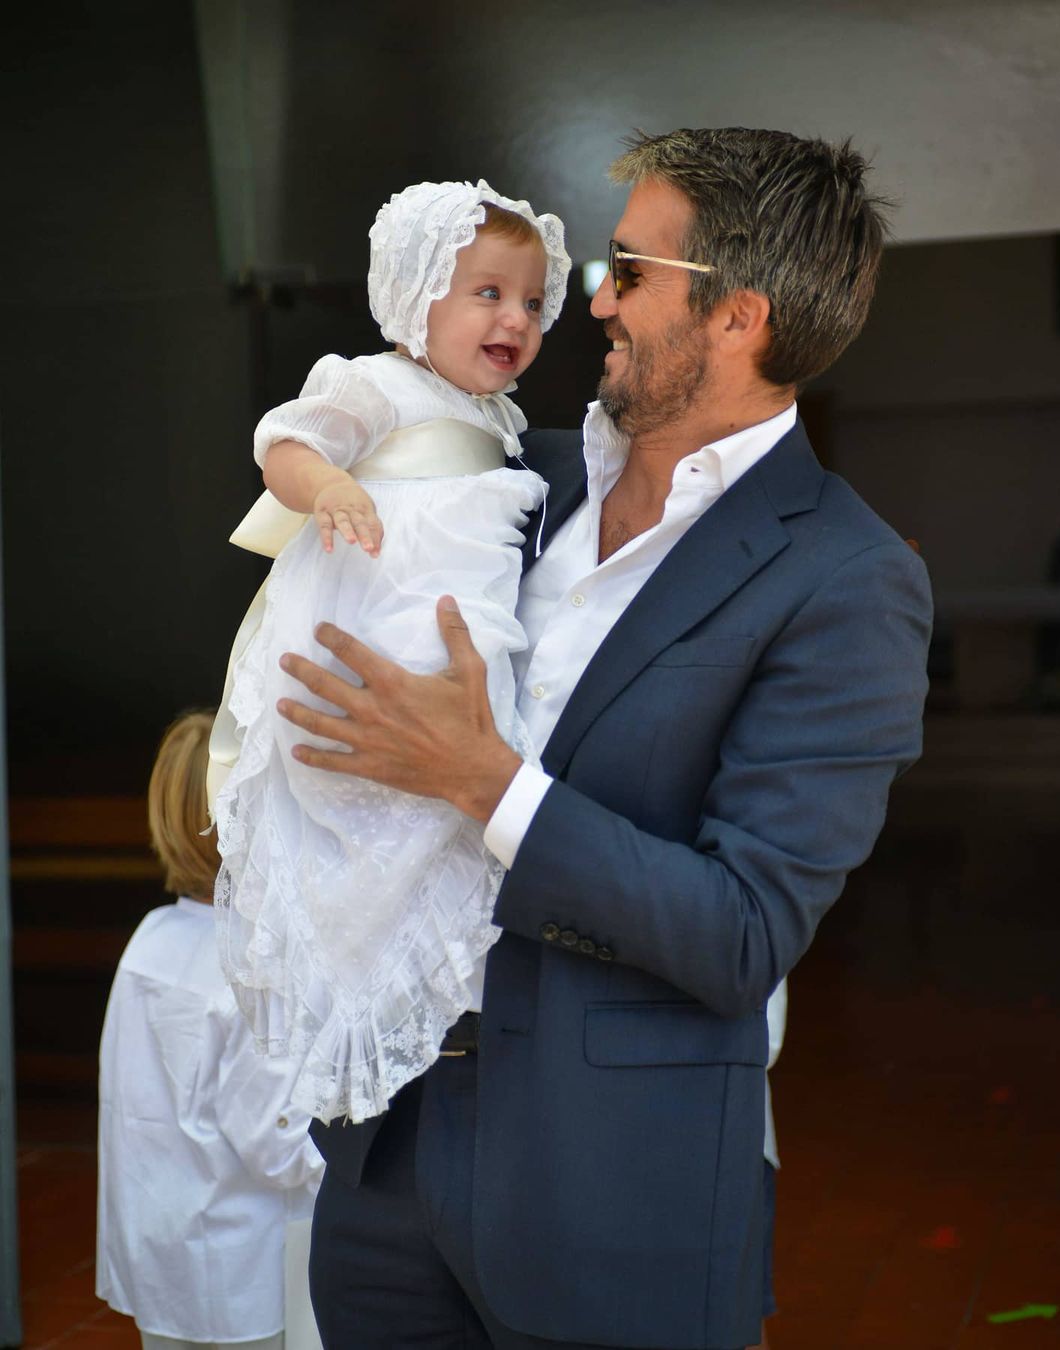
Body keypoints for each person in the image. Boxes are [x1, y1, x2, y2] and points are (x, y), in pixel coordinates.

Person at [277, 128, 934, 1350]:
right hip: (385, 1158)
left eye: (628, 270)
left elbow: (743, 931)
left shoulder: (847, 577)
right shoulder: (501, 474)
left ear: (737, 316)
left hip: (612, 1193)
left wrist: (489, 786)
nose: (593, 300)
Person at [212, 181, 571, 1125]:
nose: (517, 318)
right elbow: (285, 445)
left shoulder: (501, 422)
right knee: (364, 779)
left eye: (533, 301)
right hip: (376, 604)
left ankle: (425, 967)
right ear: (416, 294)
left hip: (461, 625)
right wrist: (329, 486)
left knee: (458, 797)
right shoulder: (375, 382)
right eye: (488, 293)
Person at [96, 711, 325, 1350]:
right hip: (237, 1268)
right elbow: (276, 1144)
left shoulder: (151, 937)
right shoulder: (252, 963)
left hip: (156, 1248)